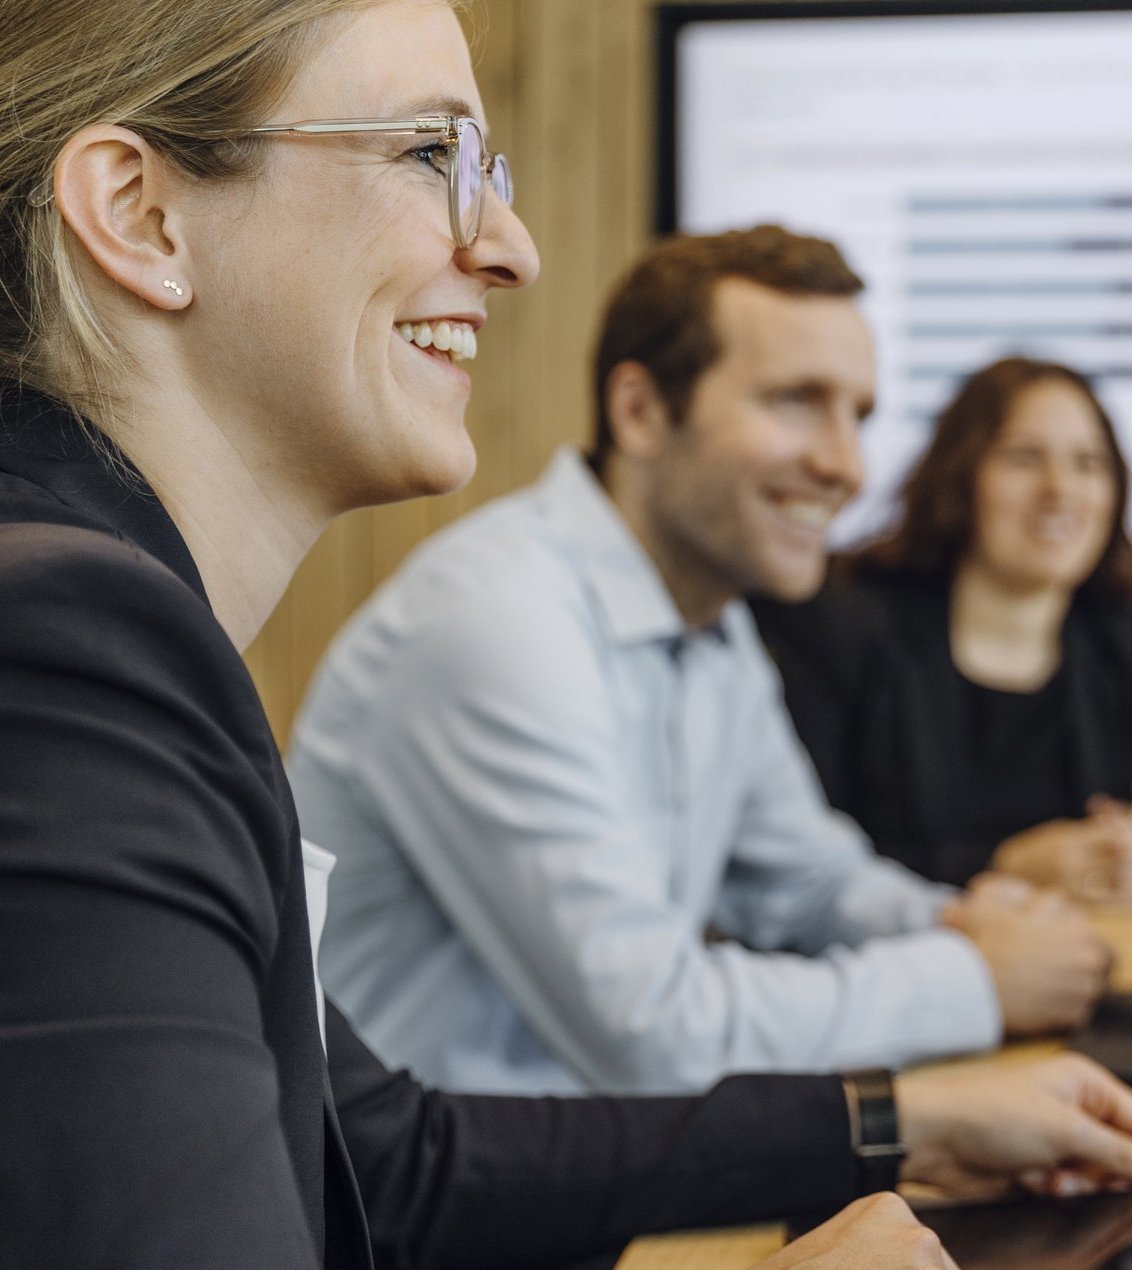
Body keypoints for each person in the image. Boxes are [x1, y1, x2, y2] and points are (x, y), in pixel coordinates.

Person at [7, 7, 1132, 1270]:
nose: (515, 249)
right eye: (431, 152)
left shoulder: (129, 626)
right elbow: (637, 1031)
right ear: (141, 214)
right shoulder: (73, 648)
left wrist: (899, 1115)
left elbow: (394, 1152)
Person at [289, 227, 1108, 1099]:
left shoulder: (714, 619)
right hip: (418, 1215)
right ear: (640, 412)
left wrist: (963, 923)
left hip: (576, 1171)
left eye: (858, 416)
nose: (846, 465)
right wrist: (976, 981)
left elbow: (807, 883)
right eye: (797, 401)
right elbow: (651, 1030)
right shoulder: (496, 620)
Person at [752, 356, 1132, 892]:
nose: (1060, 489)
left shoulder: (1118, 643)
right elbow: (796, 867)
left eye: (1089, 463)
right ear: (962, 473)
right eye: (1025, 458)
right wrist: (1001, 866)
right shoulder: (840, 630)